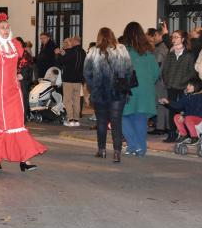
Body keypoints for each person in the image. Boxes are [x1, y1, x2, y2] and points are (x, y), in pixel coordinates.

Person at [0, 13, 46, 171]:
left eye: (7, 27)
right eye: (2, 28)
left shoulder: (16, 45)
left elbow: (25, 63)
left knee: (18, 124)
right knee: (0, 125)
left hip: (14, 91)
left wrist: (21, 74)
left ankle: (24, 160)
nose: (5, 30)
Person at [83, 27, 133, 163]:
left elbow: (87, 73)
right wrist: (125, 86)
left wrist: (93, 87)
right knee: (116, 122)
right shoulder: (121, 49)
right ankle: (117, 152)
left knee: (102, 122)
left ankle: (102, 150)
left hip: (100, 93)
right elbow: (129, 70)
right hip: (118, 92)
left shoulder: (93, 51)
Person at [121, 22, 159, 157]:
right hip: (145, 91)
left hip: (128, 90)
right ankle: (140, 148)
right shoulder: (148, 53)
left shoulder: (123, 52)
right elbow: (156, 73)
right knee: (140, 118)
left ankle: (133, 145)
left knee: (123, 117)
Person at [160, 30, 198, 142]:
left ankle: (185, 133)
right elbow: (165, 70)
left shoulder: (189, 55)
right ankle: (172, 133)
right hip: (171, 86)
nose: (173, 39)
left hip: (183, 87)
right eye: (173, 37)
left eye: (176, 37)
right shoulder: (170, 54)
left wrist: (183, 83)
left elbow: (191, 72)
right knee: (172, 109)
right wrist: (167, 81)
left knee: (184, 110)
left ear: (182, 39)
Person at [159, 77, 202, 145]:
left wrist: (184, 115)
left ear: (196, 86)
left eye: (190, 85)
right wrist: (168, 102)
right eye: (187, 85)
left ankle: (195, 137)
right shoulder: (187, 95)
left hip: (199, 118)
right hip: (188, 117)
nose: (187, 87)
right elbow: (178, 105)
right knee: (176, 117)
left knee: (188, 118)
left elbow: (197, 111)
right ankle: (184, 135)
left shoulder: (200, 97)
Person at [55, 36, 86, 127]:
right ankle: (76, 120)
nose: (70, 42)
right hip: (78, 80)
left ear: (75, 41)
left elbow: (62, 62)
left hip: (68, 79)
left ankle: (70, 119)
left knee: (67, 100)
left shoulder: (72, 51)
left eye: (71, 40)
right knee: (76, 100)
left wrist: (60, 54)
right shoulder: (83, 52)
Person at [147, 27, 170, 135]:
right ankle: (165, 126)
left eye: (156, 36)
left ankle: (161, 127)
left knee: (161, 103)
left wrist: (152, 78)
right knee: (163, 103)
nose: (154, 38)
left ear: (161, 36)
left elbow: (157, 66)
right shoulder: (161, 47)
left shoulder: (161, 48)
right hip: (162, 79)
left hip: (160, 80)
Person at [16, 36, 34, 122]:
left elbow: (28, 67)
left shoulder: (26, 54)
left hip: (23, 81)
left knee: (23, 99)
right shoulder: (16, 53)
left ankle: (23, 118)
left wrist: (22, 74)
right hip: (16, 80)